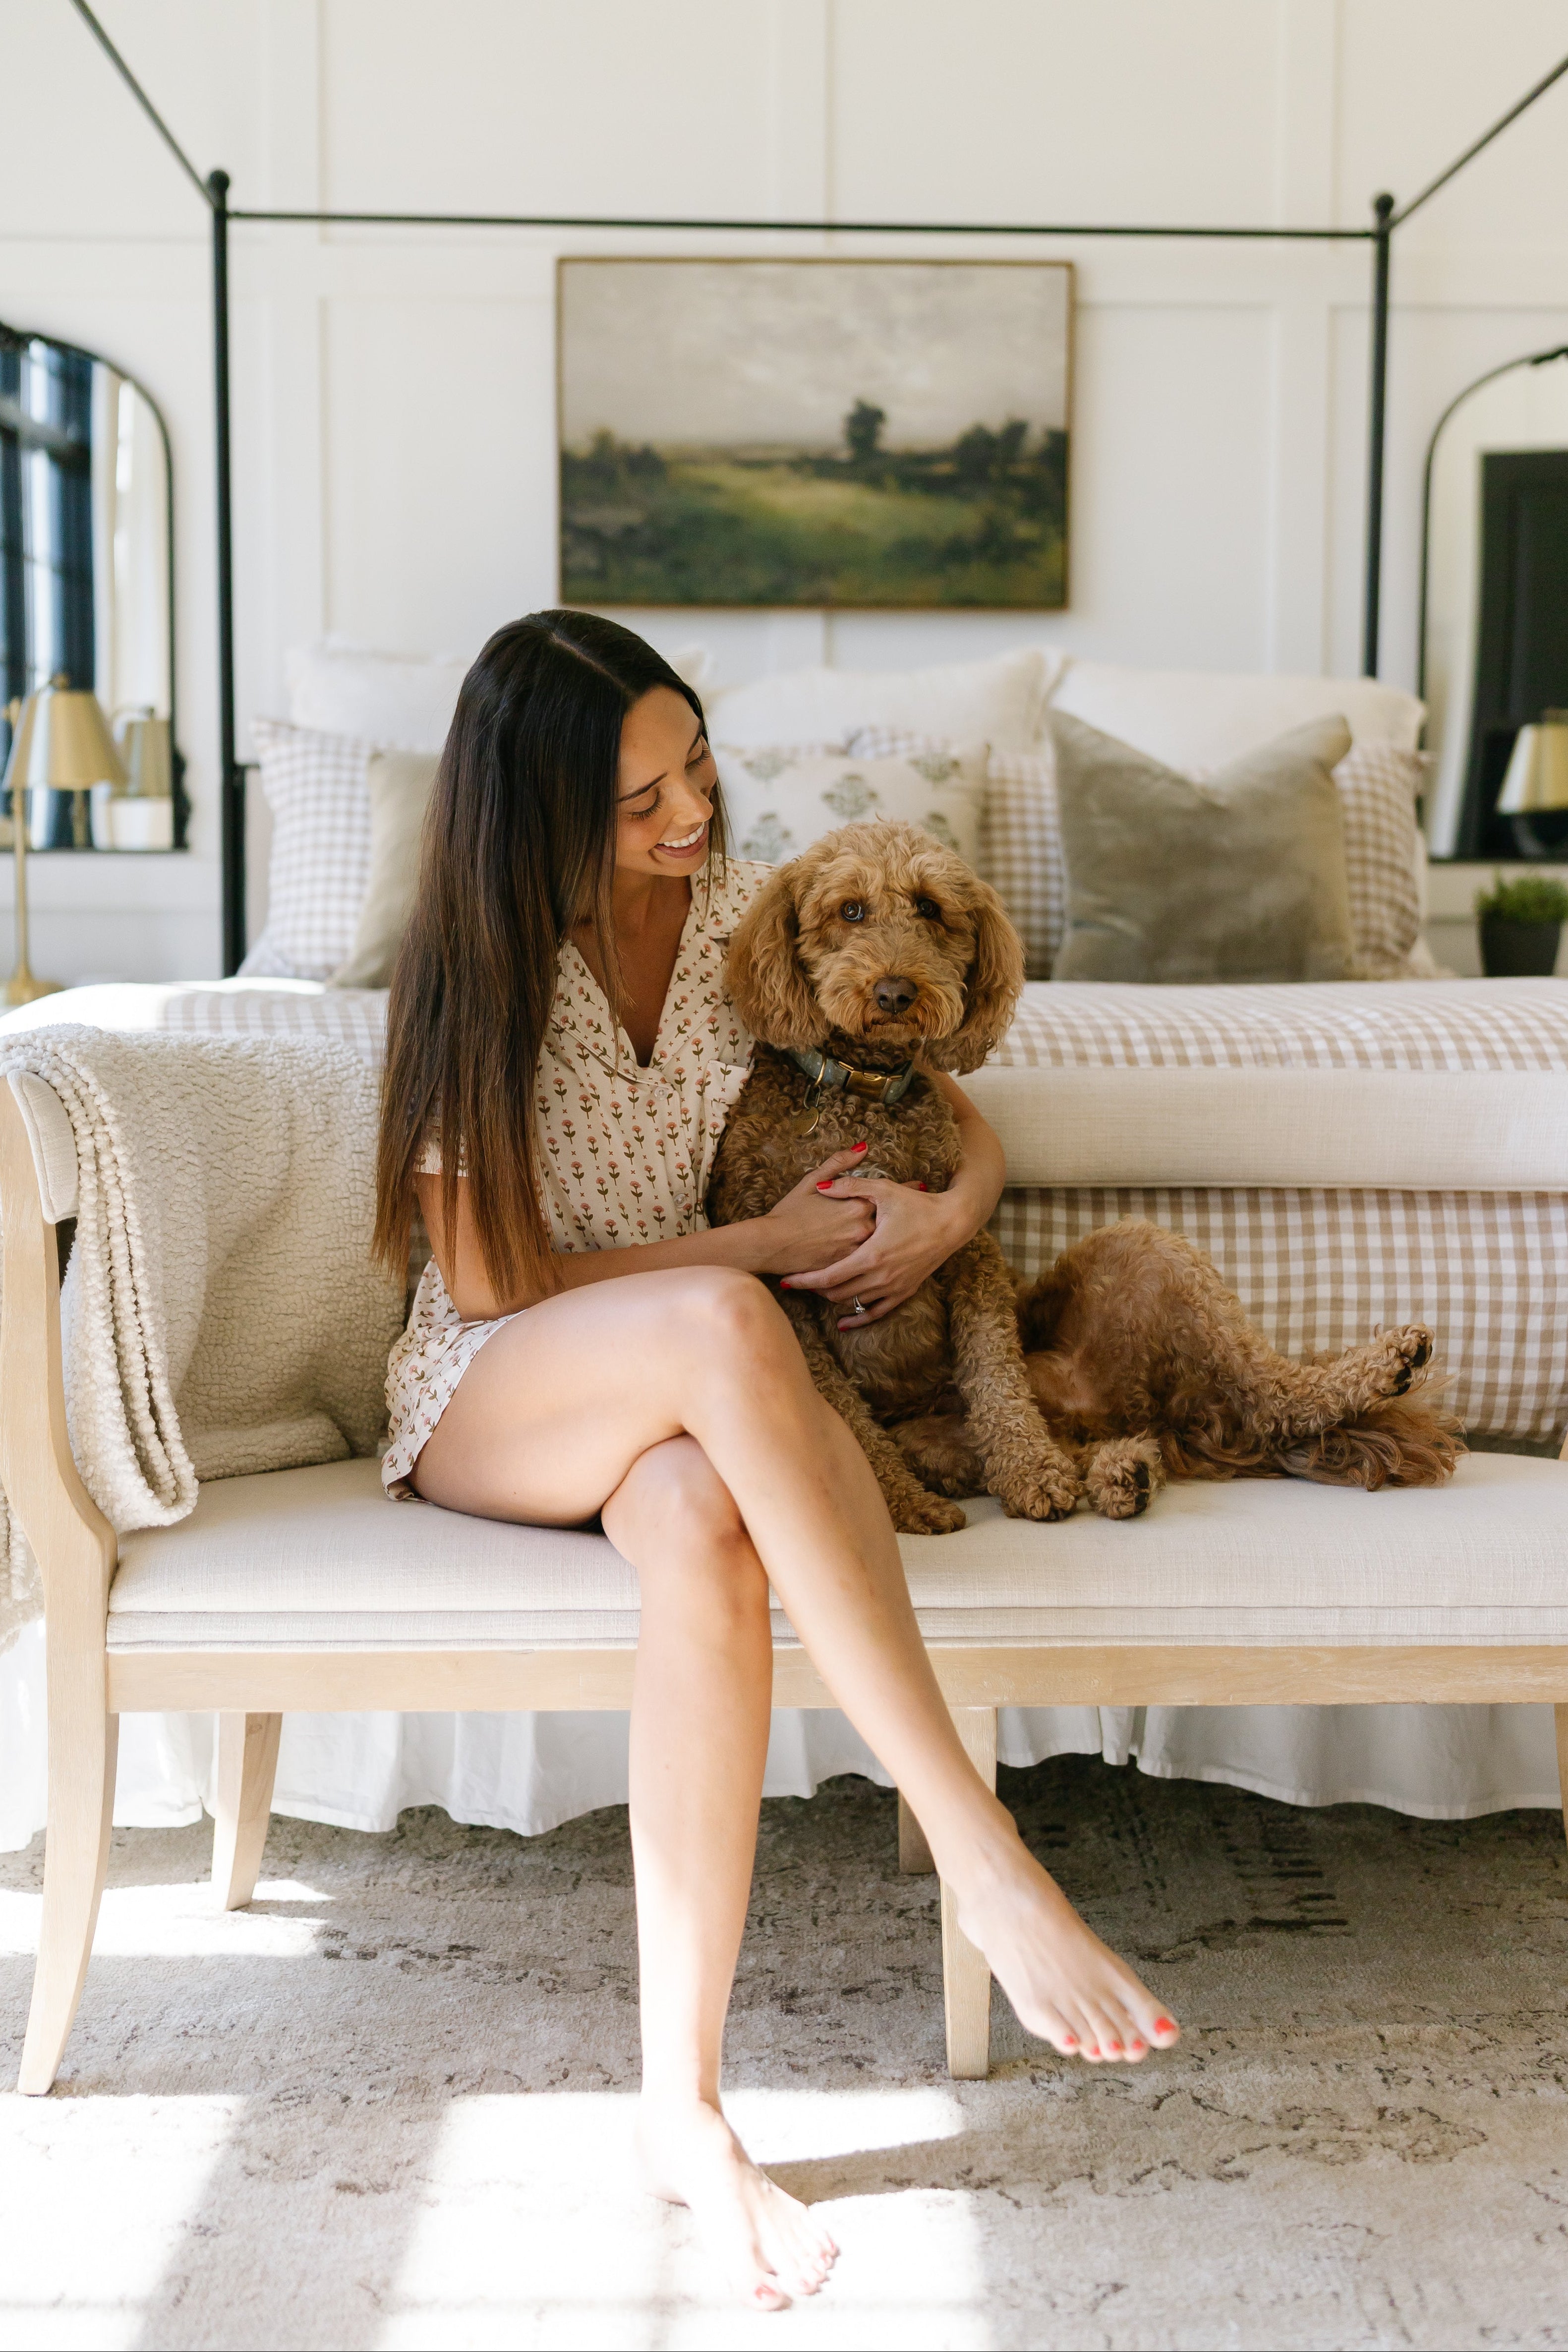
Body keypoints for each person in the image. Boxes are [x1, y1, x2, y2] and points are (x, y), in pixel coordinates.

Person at [374, 610, 1178, 2310]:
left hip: (674, 1403)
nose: (687, 816)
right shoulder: (472, 967)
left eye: (695, 765)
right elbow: (489, 1284)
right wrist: (744, 1249)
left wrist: (952, 1210)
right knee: (728, 1329)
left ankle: (684, 2106)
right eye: (635, 801)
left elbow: (937, 1095)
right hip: (499, 1385)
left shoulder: (752, 915)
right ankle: (976, 1841)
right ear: (533, 822)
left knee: (709, 1541)